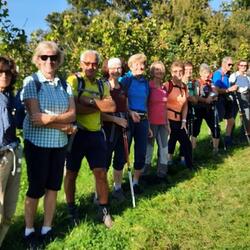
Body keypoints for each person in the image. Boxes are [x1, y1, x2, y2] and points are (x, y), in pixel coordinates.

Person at [22, 41, 76, 248]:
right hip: (37, 144)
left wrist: (52, 120)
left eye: (53, 57)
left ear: (58, 60)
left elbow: (72, 114)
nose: (49, 61)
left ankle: (47, 227)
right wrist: (64, 126)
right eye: (44, 57)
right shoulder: (31, 82)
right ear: (37, 59)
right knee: (36, 187)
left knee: (53, 185)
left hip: (59, 144)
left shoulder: (64, 84)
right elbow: (36, 119)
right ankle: (28, 230)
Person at [64, 50, 115, 228]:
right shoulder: (73, 81)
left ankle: (104, 210)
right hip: (76, 134)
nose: (91, 67)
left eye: (94, 64)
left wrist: (89, 102)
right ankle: (71, 210)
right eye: (87, 63)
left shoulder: (103, 84)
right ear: (81, 64)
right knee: (71, 174)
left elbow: (111, 106)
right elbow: (73, 109)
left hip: (95, 134)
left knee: (100, 173)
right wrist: (98, 105)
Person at [119, 53, 150, 194]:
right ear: (131, 66)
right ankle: (118, 186)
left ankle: (136, 182)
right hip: (129, 119)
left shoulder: (145, 82)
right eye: (136, 64)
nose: (140, 66)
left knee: (141, 152)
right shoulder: (126, 80)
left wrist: (148, 124)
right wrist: (130, 112)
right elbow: (120, 100)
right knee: (124, 153)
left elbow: (146, 103)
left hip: (143, 120)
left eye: (142, 64)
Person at [0, 56, 22, 248]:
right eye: (0, 72)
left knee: (9, 207)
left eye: (7, 72)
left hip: (13, 153)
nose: (4, 75)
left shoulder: (11, 96)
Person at [101, 58, 128, 202]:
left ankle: (117, 188)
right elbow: (98, 112)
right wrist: (115, 120)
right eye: (113, 68)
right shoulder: (103, 86)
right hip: (107, 128)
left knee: (120, 159)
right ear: (107, 69)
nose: (116, 71)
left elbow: (125, 105)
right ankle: (100, 192)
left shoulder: (122, 86)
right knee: (104, 162)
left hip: (122, 128)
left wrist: (131, 113)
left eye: (119, 68)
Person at [166, 61, 194, 171]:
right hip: (168, 119)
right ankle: (167, 166)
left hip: (179, 120)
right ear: (171, 72)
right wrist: (166, 122)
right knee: (170, 142)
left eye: (180, 71)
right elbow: (162, 103)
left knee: (186, 143)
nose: (178, 74)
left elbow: (185, 104)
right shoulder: (167, 85)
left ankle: (189, 166)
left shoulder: (184, 87)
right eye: (175, 71)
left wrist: (183, 120)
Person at [143, 61, 169, 179]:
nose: (159, 72)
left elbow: (165, 107)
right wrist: (147, 125)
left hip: (163, 123)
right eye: (157, 69)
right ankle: (145, 173)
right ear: (152, 71)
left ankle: (161, 174)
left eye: (161, 69)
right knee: (149, 149)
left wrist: (167, 123)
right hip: (151, 123)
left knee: (164, 148)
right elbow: (145, 105)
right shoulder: (148, 86)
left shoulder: (164, 88)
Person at [192, 63, 220, 153]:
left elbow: (216, 92)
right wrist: (205, 100)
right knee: (195, 129)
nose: (206, 74)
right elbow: (196, 96)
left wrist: (211, 97)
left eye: (207, 72)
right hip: (198, 109)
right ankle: (193, 151)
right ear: (200, 73)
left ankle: (216, 149)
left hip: (209, 109)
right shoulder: (196, 82)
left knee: (215, 127)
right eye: (204, 73)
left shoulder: (211, 82)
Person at [212, 56, 238, 149]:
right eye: (229, 64)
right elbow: (216, 89)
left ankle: (227, 141)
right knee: (216, 121)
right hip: (219, 100)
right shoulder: (218, 74)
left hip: (227, 99)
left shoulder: (227, 75)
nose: (231, 66)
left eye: (232, 64)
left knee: (231, 120)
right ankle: (215, 142)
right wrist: (229, 90)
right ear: (223, 64)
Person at [178, 62, 198, 165]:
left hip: (190, 110)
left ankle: (185, 157)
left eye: (191, 69)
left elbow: (195, 99)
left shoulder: (193, 83)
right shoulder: (178, 82)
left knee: (187, 134)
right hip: (178, 111)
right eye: (187, 70)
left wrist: (190, 97)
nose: (189, 72)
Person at [229, 59, 250, 137]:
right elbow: (230, 87)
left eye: (245, 66)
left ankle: (245, 135)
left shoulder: (248, 77)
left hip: (245, 98)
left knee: (247, 117)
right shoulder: (234, 76)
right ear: (238, 66)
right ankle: (230, 136)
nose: (243, 67)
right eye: (242, 65)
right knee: (232, 118)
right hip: (235, 98)